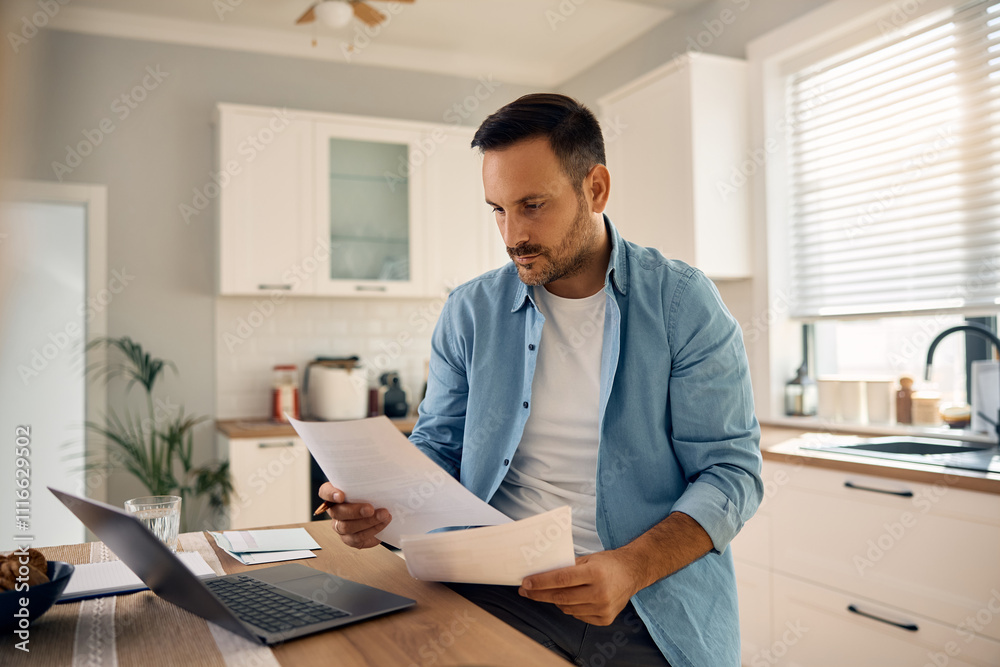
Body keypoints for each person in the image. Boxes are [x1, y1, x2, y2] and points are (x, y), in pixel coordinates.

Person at [319, 93, 763, 667]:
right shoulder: (470, 310)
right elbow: (438, 445)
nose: (512, 235)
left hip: (644, 603)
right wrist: (377, 504)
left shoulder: (682, 304)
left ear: (596, 189)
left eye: (532, 205)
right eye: (498, 209)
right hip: (493, 586)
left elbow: (732, 473)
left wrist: (630, 566)